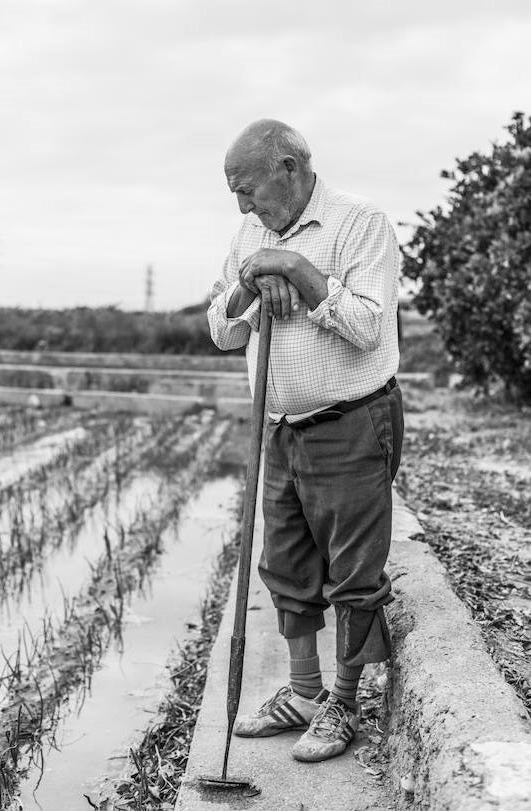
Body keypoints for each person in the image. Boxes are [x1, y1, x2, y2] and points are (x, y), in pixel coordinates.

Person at [207, 119, 403, 763]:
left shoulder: (360, 223)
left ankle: (344, 704)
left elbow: (368, 326)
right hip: (280, 426)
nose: (242, 205)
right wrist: (250, 281)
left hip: (351, 421)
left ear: (289, 168)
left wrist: (296, 268)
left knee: (353, 571)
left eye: (248, 188)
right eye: (234, 192)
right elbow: (222, 331)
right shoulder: (249, 235)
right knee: (286, 564)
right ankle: (304, 693)